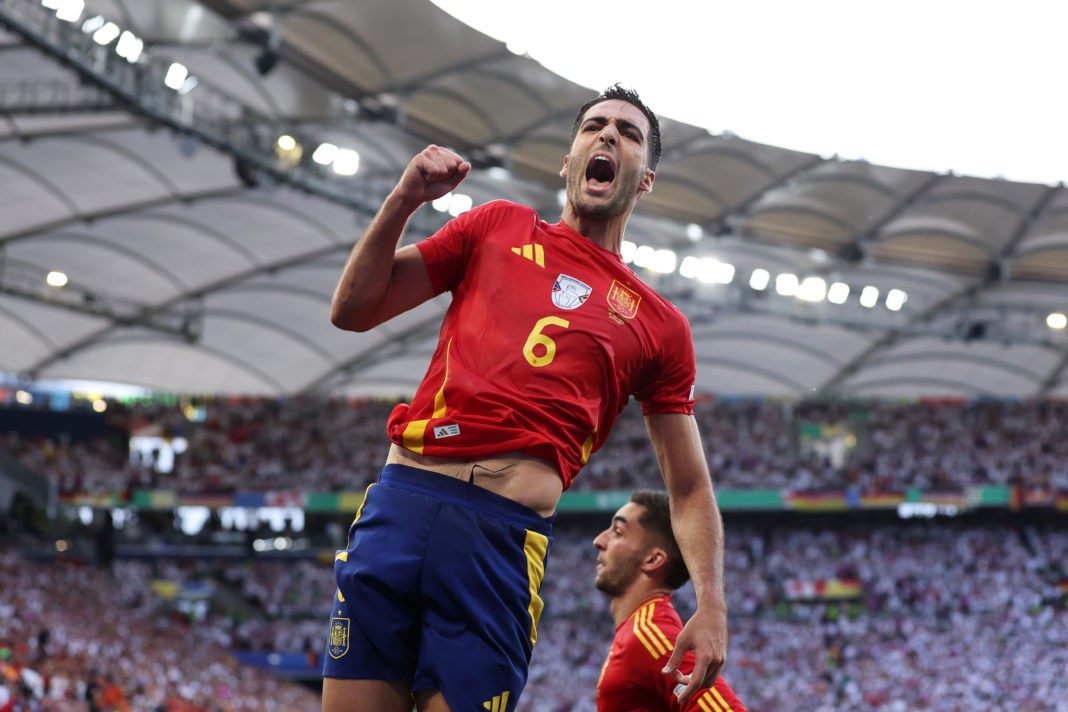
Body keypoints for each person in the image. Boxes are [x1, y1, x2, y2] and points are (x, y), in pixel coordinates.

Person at [324, 84, 727, 712]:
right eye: (595, 126)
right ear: (569, 161)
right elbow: (353, 310)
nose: (608, 136)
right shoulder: (494, 226)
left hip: (496, 538)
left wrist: (711, 605)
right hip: (400, 505)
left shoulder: (659, 325)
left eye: (628, 133)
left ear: (644, 179)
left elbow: (690, 488)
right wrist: (403, 200)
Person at [594, 490, 747, 711]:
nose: (599, 540)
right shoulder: (638, 632)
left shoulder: (649, 636)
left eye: (618, 532)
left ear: (653, 559)